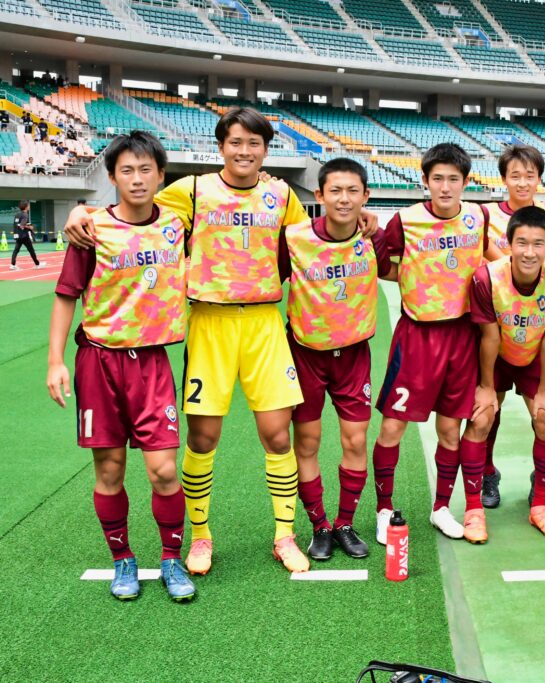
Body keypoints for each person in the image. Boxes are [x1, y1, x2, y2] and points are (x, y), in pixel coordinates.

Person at [62, 108, 375, 575]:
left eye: (254, 143)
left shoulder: (281, 194)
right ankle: (201, 537)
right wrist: (81, 210)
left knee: (277, 435)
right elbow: (133, 202)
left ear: (265, 150)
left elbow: (314, 232)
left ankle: (284, 535)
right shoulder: (192, 190)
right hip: (210, 322)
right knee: (203, 437)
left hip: (264, 324)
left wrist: (363, 214)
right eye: (235, 142)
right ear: (221, 146)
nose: (244, 151)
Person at [46, 131, 195, 602]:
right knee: (109, 468)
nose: (137, 178)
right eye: (126, 170)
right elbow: (66, 295)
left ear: (161, 175)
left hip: (151, 362)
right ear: (111, 177)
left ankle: (171, 558)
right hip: (99, 361)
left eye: (146, 169)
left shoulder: (178, 224)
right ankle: (123, 559)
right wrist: (55, 361)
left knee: (164, 471)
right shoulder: (91, 230)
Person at [372, 142, 499, 545]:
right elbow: (385, 266)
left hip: (462, 336)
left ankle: (442, 507)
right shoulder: (406, 220)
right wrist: (414, 277)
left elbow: (496, 262)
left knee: (449, 429)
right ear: (425, 181)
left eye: (453, 179)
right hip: (418, 336)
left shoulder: (477, 217)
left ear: (465, 182)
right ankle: (383, 510)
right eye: (438, 179)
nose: (445, 187)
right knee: (393, 426)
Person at [281, 158, 395, 561]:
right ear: (320, 195)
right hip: (306, 355)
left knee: (355, 439)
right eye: (335, 191)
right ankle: (320, 526)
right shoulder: (294, 238)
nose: (344, 199)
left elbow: (396, 270)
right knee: (307, 442)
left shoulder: (374, 237)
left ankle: (345, 523)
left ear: (366, 196)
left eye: (352, 191)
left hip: (353, 356)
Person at [478, 144, 545, 509]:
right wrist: (517, 270)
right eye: (515, 175)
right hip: (498, 324)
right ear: (503, 178)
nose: (523, 182)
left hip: (541, 329)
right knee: (488, 409)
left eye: (530, 175)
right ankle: (487, 473)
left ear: (539, 178)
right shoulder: (485, 214)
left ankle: (539, 479)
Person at [470, 206, 545, 537]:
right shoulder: (486, 277)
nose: (529, 252)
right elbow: (489, 337)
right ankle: (476, 503)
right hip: (497, 353)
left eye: (538, 244)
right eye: (521, 243)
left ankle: (540, 506)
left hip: (537, 354)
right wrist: (486, 387)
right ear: (508, 243)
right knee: (482, 417)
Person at [10, 200, 42, 270]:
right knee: (31, 250)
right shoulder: (25, 215)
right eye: (28, 205)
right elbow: (22, 225)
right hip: (24, 236)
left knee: (16, 250)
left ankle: (12, 265)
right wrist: (30, 227)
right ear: (26, 207)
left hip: (18, 235)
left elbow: (17, 224)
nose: (29, 206)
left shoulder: (17, 214)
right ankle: (37, 264)